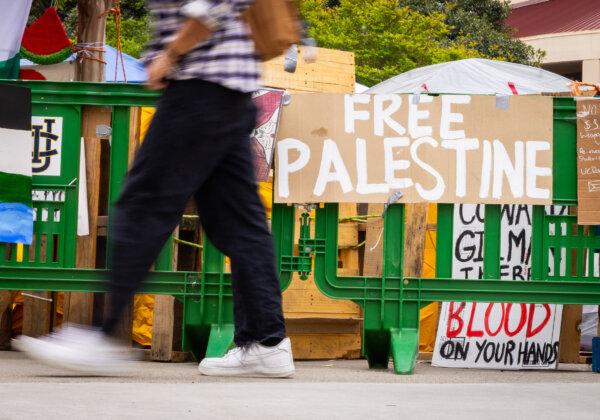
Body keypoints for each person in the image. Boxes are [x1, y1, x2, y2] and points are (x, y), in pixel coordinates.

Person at [14, 0, 295, 378]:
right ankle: (267, 342)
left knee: (142, 207)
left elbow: (210, 8)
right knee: (239, 225)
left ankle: (101, 335)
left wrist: (170, 54)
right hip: (229, 94)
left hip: (199, 90)